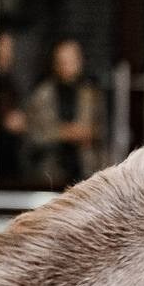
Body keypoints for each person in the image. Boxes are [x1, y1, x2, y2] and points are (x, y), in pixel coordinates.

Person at [25, 38, 106, 189]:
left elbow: (102, 129)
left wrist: (88, 133)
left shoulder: (91, 94)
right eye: (62, 61)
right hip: (49, 171)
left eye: (71, 60)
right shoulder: (43, 94)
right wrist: (65, 132)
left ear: (80, 61)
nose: (66, 66)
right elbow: (34, 133)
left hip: (85, 168)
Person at [0, 31, 28, 190]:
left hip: (10, 157)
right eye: (3, 47)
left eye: (10, 48)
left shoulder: (11, 83)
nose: (7, 53)